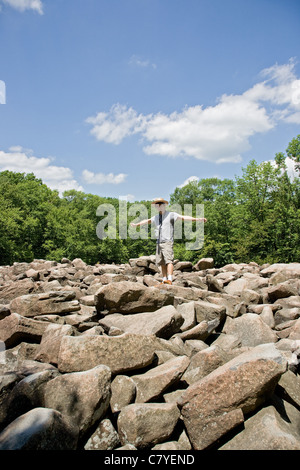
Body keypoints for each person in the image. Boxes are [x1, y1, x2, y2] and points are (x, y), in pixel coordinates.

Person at [130, 197, 207, 285]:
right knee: (162, 262)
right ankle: (164, 279)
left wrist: (197, 219)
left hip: (167, 242)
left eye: (159, 204)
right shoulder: (156, 217)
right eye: (156, 205)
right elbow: (146, 221)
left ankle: (170, 279)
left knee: (169, 261)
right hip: (159, 242)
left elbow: (184, 217)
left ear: (164, 205)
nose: (158, 206)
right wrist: (136, 225)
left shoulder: (171, 215)